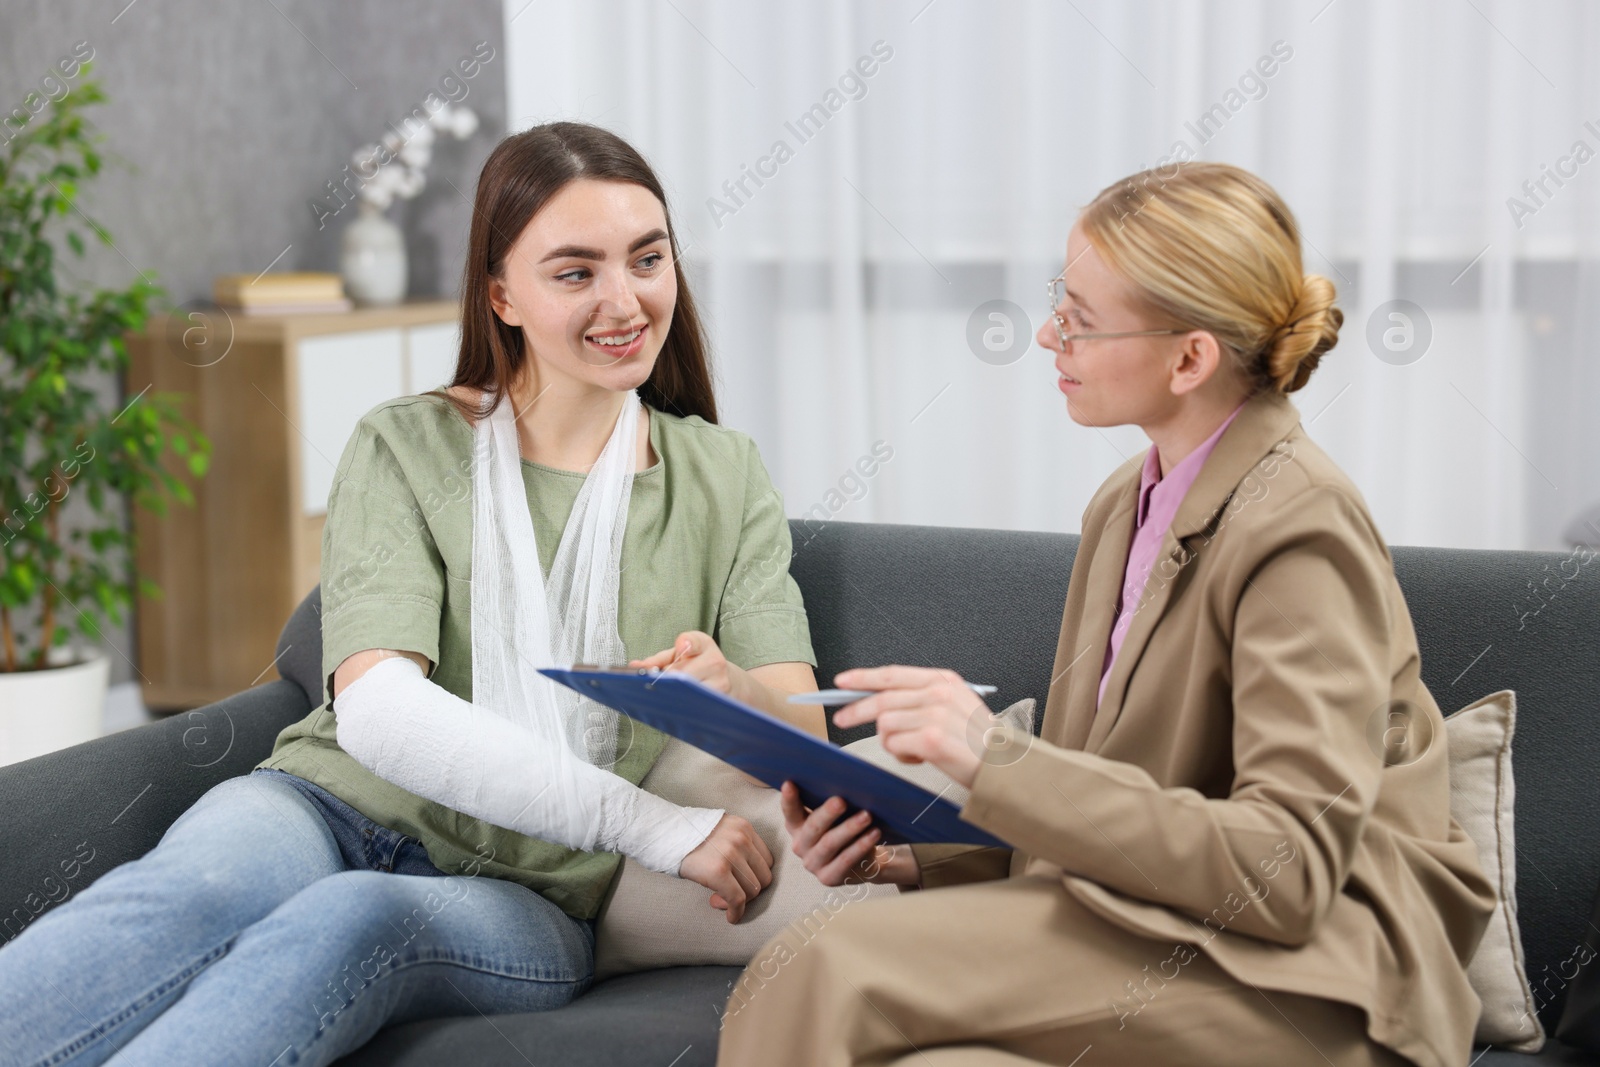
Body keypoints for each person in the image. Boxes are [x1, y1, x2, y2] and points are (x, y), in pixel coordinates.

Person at [0, 122, 822, 1067]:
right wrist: (657, 828)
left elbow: (806, 738)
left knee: (349, 922)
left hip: (531, 894)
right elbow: (381, 712)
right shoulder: (405, 444)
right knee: (194, 889)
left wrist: (731, 696)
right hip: (326, 805)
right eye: (575, 271)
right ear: (501, 292)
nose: (624, 299)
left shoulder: (724, 477)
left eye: (647, 258)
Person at [724, 162, 1497, 1067]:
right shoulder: (1125, 501)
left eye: (1082, 320)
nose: (1049, 333)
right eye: (1061, 300)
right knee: (817, 961)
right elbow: (1117, 797)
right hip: (1168, 924)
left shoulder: (1302, 528)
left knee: (825, 966)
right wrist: (905, 855)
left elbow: (1287, 869)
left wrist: (995, 757)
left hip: (1311, 981)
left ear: (1190, 357)